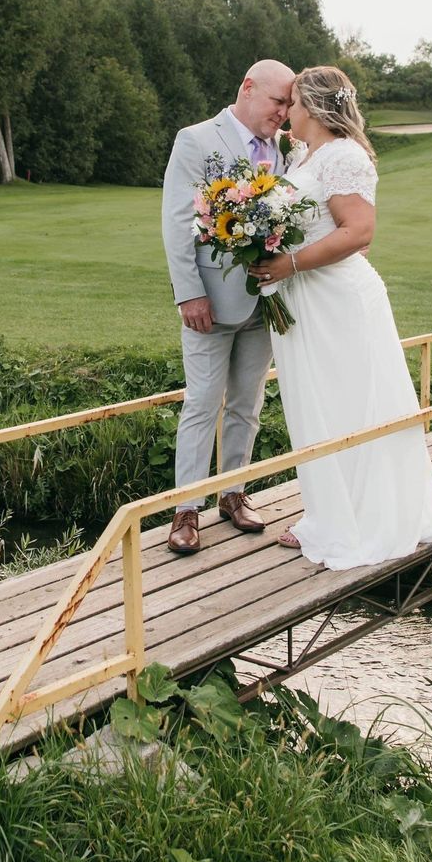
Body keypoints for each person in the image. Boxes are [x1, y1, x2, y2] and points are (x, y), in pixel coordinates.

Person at [247, 65, 432, 569]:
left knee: (350, 402)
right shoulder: (307, 154)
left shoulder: (344, 156)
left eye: (295, 103)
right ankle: (331, 510)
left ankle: (360, 519)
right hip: (306, 301)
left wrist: (288, 263)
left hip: (337, 302)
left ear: (317, 108)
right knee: (319, 404)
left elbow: (358, 232)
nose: (288, 112)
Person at [159, 59, 297, 553]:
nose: (283, 113)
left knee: (248, 403)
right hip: (209, 303)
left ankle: (234, 495)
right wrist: (189, 291)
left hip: (264, 303)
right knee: (201, 404)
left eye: (289, 105)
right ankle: (186, 510)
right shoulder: (196, 139)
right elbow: (178, 222)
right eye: (278, 101)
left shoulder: (282, 150)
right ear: (247, 88)